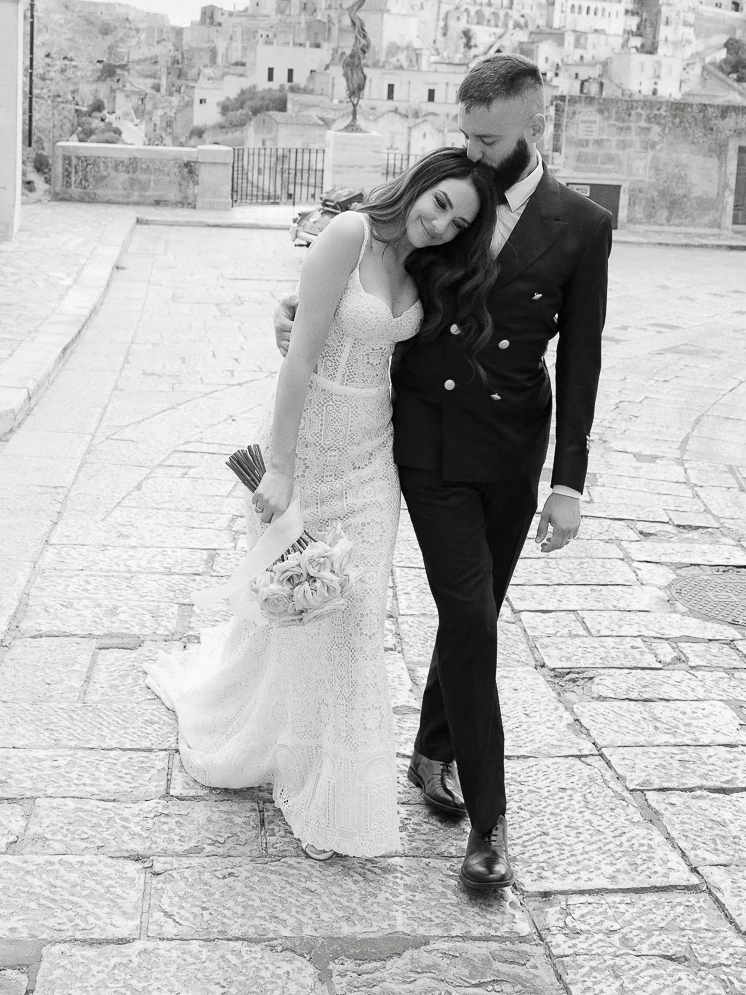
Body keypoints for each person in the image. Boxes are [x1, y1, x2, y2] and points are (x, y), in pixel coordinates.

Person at [277, 56, 612, 892]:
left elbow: (582, 356)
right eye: (465, 132)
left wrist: (567, 483)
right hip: (423, 446)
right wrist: (296, 313)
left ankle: (433, 747)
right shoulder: (451, 197)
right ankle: (489, 828)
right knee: (470, 615)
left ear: (534, 120)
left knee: (474, 618)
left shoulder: (579, 223)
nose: (473, 147)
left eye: (489, 135)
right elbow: (373, 270)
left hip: (510, 450)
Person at [146, 148, 497, 861]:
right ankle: (278, 745)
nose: (440, 226)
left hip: (374, 459)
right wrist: (278, 469)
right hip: (307, 451)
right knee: (293, 618)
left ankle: (340, 796)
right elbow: (299, 358)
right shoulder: (352, 235)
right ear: (418, 186)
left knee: (358, 616)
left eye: (458, 223)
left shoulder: (430, 268)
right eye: (438, 205)